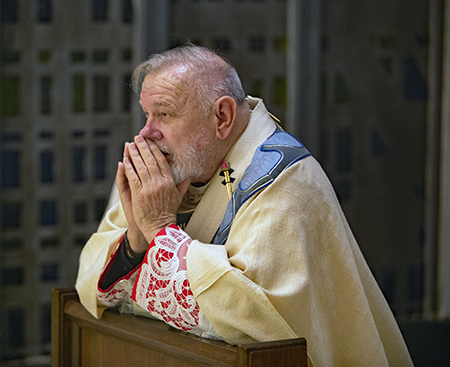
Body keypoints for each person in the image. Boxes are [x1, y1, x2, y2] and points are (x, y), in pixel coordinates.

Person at [75, 45, 413, 366]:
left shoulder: (286, 180)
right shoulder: (165, 171)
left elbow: (252, 322)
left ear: (222, 116)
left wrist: (160, 229)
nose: (147, 133)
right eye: (147, 114)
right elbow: (94, 286)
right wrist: (136, 240)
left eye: (164, 114)